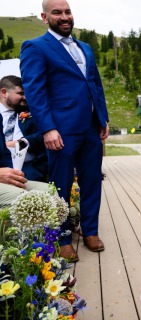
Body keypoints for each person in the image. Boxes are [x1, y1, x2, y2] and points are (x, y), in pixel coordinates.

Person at [20, 0, 109, 262]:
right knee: (60, 185)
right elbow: (35, 90)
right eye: (57, 12)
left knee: (92, 180)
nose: (64, 17)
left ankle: (90, 231)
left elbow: (95, 84)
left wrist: (102, 119)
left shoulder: (85, 48)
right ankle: (62, 237)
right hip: (60, 130)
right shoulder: (35, 47)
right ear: (44, 17)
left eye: (67, 12)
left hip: (91, 128)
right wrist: (47, 128)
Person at [0, 76, 48, 182]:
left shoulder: (33, 112)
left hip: (28, 169)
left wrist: (21, 142)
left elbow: (44, 134)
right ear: (4, 92)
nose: (25, 97)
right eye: (20, 93)